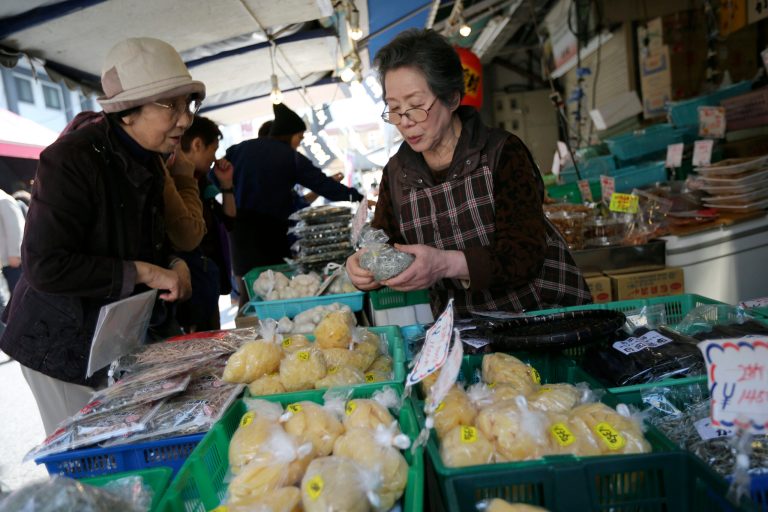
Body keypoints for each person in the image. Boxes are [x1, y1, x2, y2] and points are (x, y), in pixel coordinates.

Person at [0, 37, 205, 434]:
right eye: (171, 106)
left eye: (188, 105)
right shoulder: (72, 159)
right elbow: (46, 266)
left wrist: (173, 263)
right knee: (88, 462)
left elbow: (139, 241)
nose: (184, 120)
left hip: (109, 341)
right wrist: (145, 272)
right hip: (58, 345)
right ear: (127, 112)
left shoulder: (146, 158)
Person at [346, 29, 592, 317]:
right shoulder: (397, 175)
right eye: (394, 109)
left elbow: (524, 254)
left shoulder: (502, 152)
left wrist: (444, 263)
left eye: (415, 106)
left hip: (541, 314)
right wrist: (364, 268)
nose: (405, 122)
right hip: (465, 331)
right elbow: (386, 248)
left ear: (451, 99)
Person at [223, 102, 366, 305]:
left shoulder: (239, 149)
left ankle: (245, 331)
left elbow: (215, 176)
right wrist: (358, 197)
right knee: (276, 292)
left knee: (248, 294)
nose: (298, 143)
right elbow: (325, 186)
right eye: (299, 137)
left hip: (238, 233)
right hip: (270, 235)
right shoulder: (289, 157)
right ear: (289, 134)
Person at [176, 116, 236, 332]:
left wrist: (227, 184)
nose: (214, 158)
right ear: (197, 144)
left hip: (206, 282)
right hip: (189, 288)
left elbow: (228, 221)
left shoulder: (202, 180)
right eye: (214, 149)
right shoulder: (175, 182)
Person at [0, 188, 25, 299]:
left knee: (17, 299)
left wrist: (15, 254)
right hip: (6, 264)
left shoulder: (4, 200)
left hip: (13, 264)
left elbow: (15, 229)